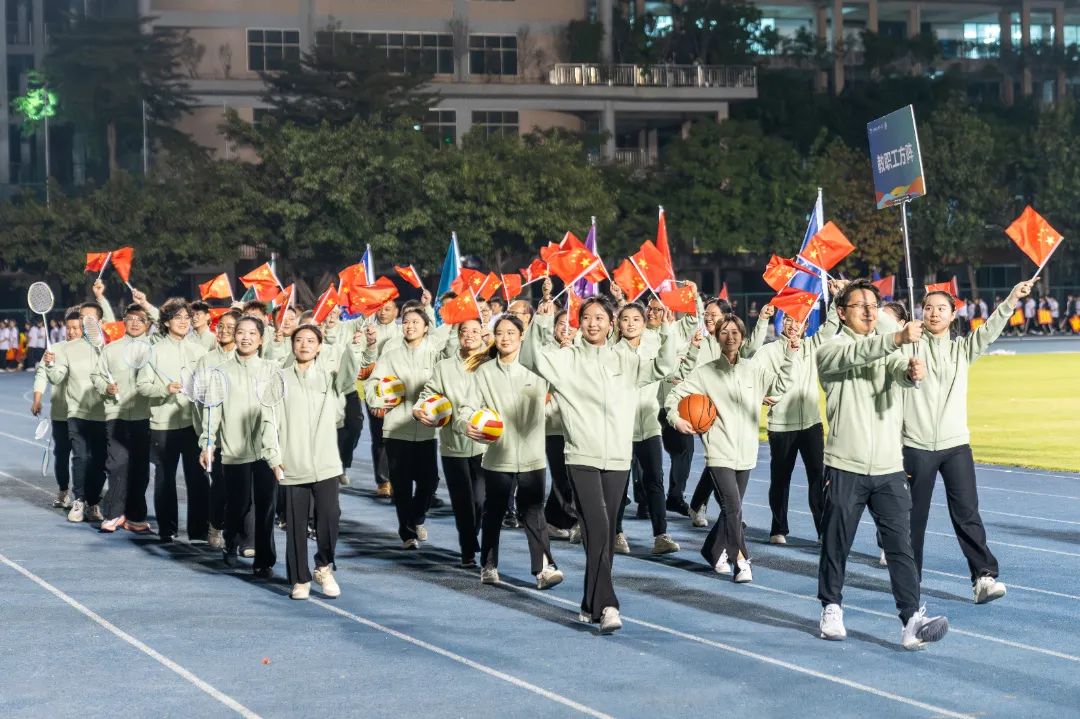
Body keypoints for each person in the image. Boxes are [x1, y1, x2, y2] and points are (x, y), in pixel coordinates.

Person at [520, 296, 676, 634]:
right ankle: (608, 605)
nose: (593, 323)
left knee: (598, 534)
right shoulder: (567, 359)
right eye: (587, 317)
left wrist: (668, 328)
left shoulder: (626, 357)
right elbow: (529, 357)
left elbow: (663, 367)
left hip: (618, 457)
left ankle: (590, 603)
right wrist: (541, 321)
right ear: (580, 322)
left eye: (600, 318)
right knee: (600, 527)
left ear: (611, 323)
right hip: (581, 457)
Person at [814, 279, 948, 650]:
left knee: (900, 546)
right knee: (837, 542)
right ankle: (831, 606)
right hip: (846, 463)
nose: (869, 311)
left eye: (874, 305)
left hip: (889, 466)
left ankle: (911, 619)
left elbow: (897, 368)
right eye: (860, 305)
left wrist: (910, 373)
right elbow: (859, 354)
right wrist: (896, 338)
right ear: (841, 312)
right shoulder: (830, 348)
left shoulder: (887, 346)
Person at [901, 281, 1034, 604]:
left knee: (967, 513)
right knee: (913, 517)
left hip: (956, 445)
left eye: (941, 308)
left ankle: (983, 577)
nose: (934, 313)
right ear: (921, 312)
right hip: (916, 444)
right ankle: (909, 581)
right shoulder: (908, 348)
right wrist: (906, 364)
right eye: (928, 308)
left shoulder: (962, 349)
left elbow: (989, 330)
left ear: (953, 314)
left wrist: (1011, 299)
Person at [667, 313, 797, 583]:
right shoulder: (705, 372)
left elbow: (780, 386)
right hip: (719, 451)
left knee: (730, 511)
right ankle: (741, 561)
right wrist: (675, 418)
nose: (730, 337)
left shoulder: (754, 369)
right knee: (733, 508)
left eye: (735, 332)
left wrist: (790, 356)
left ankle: (712, 549)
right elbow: (675, 395)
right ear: (717, 337)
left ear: (743, 337)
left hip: (746, 452)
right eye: (724, 332)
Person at [458, 315, 562, 589]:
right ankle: (489, 565)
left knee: (534, 513)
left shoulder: (537, 371)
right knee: (493, 512)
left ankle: (543, 569)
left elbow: (558, 398)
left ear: (521, 336)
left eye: (511, 333)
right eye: (500, 333)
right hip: (497, 456)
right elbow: (467, 408)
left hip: (532, 457)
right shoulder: (484, 372)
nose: (505, 338)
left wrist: (546, 415)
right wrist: (465, 424)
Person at [265, 324, 361, 599]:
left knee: (330, 517)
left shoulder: (330, 378)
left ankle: (323, 567)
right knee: (295, 524)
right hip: (292, 461)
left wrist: (355, 347)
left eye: (310, 340)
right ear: (292, 345)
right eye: (299, 340)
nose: (304, 345)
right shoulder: (279, 378)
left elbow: (349, 375)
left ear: (319, 346)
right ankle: (300, 579)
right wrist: (273, 456)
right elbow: (268, 419)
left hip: (326, 462)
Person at [200, 316, 279, 578]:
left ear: (261, 339)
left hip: (267, 451)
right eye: (241, 332)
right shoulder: (220, 372)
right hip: (234, 450)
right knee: (238, 503)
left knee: (266, 505)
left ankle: (264, 560)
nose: (246, 338)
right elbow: (212, 411)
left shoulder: (272, 369)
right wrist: (207, 443)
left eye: (252, 333)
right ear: (235, 337)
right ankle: (231, 541)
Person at [758, 295, 840, 545]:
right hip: (781, 426)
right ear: (782, 322)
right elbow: (750, 376)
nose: (793, 325)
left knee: (818, 480)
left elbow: (831, 326)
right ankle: (778, 528)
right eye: (789, 320)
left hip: (811, 425)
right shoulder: (769, 351)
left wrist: (836, 298)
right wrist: (759, 395)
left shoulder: (812, 346)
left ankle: (822, 531)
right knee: (780, 479)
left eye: (799, 321)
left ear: (806, 326)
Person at [365, 305, 449, 548]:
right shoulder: (391, 355)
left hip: (426, 429)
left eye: (415, 322)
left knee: (429, 481)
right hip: (396, 429)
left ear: (426, 327)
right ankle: (407, 533)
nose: (410, 326)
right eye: (406, 322)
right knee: (401, 485)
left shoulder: (435, 355)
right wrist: (377, 401)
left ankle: (417, 517)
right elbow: (373, 383)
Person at [415, 318, 488, 568]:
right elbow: (428, 394)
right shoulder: (444, 367)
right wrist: (418, 409)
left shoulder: (491, 363)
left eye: (475, 331)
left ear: (482, 334)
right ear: (458, 336)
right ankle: (468, 548)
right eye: (464, 331)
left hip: (484, 445)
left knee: (480, 500)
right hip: (452, 444)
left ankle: (472, 535)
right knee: (461, 501)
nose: (469, 335)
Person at [137, 298, 209, 543]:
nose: (184, 322)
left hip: (193, 425)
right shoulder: (153, 351)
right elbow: (142, 386)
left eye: (187, 317)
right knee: (165, 478)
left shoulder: (199, 351)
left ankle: (199, 531)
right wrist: (164, 389)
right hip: (163, 425)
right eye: (178, 317)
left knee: (198, 478)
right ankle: (167, 529)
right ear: (166, 322)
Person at [613, 302, 680, 555]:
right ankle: (617, 534)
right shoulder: (612, 352)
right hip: (621, 427)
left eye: (636, 319)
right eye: (625, 319)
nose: (631, 323)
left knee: (655, 480)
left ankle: (661, 536)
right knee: (620, 483)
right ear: (618, 324)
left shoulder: (654, 343)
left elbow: (668, 365)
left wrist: (668, 329)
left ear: (643, 323)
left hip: (650, 424)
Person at [43, 297, 114, 524]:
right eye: (82, 317)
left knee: (99, 461)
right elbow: (57, 377)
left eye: (90, 318)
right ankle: (80, 500)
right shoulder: (69, 348)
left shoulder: (110, 347)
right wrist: (50, 364)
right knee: (81, 457)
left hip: (104, 414)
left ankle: (93, 502)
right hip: (77, 412)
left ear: (100, 322)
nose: (85, 321)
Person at [91, 303, 155, 533]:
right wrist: (106, 387)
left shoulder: (154, 348)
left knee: (140, 469)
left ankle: (135, 516)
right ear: (124, 321)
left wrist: (146, 304)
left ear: (148, 323)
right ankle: (114, 513)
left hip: (145, 416)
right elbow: (96, 376)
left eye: (141, 319)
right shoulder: (111, 350)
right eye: (131, 318)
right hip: (116, 415)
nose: (135, 323)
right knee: (117, 464)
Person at [31, 309, 82, 509]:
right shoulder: (54, 350)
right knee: (61, 455)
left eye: (76, 328)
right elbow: (42, 374)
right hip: (61, 414)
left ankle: (83, 496)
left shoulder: (90, 350)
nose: (72, 332)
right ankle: (63, 491)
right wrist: (37, 399)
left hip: (85, 414)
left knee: (83, 457)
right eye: (69, 328)